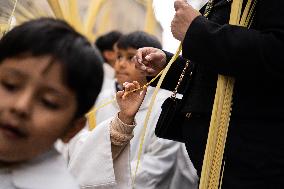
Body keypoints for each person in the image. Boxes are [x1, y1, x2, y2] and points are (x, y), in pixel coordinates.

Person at [133, 0, 284, 188]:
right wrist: (167, 66)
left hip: (258, 166)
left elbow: (277, 53)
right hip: (213, 166)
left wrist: (197, 31)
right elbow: (217, 75)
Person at [0, 18, 138, 189]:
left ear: (72, 128)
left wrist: (123, 123)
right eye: (10, 85)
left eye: (49, 102)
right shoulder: (105, 95)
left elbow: (86, 149)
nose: (20, 106)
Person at [71, 31, 198, 189]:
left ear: (151, 64)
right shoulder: (103, 98)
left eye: (131, 57)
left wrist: (108, 180)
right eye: (119, 56)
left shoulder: (164, 105)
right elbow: (86, 139)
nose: (121, 64)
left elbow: (157, 164)